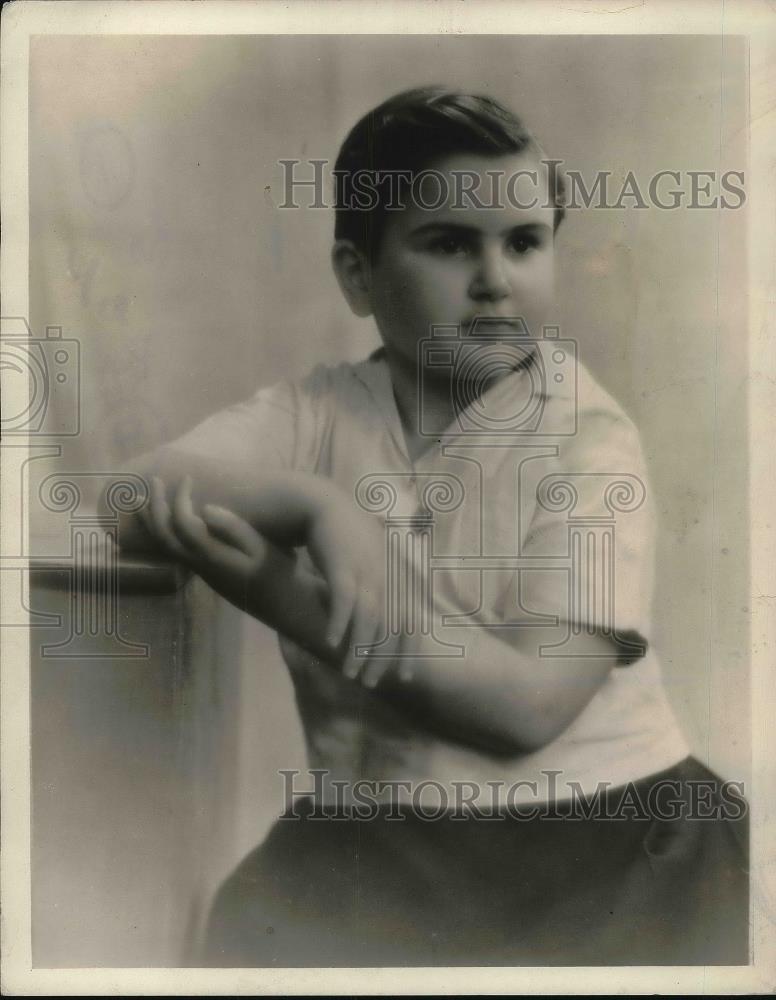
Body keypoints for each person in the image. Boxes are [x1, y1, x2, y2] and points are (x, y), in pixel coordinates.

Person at [119, 87, 749, 966]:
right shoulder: (317, 413)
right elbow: (125, 499)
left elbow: (527, 708)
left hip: (608, 850)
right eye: (450, 243)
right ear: (357, 274)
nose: (495, 279)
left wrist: (276, 589)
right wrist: (317, 504)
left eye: (524, 243)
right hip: (382, 843)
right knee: (246, 937)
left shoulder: (585, 434)